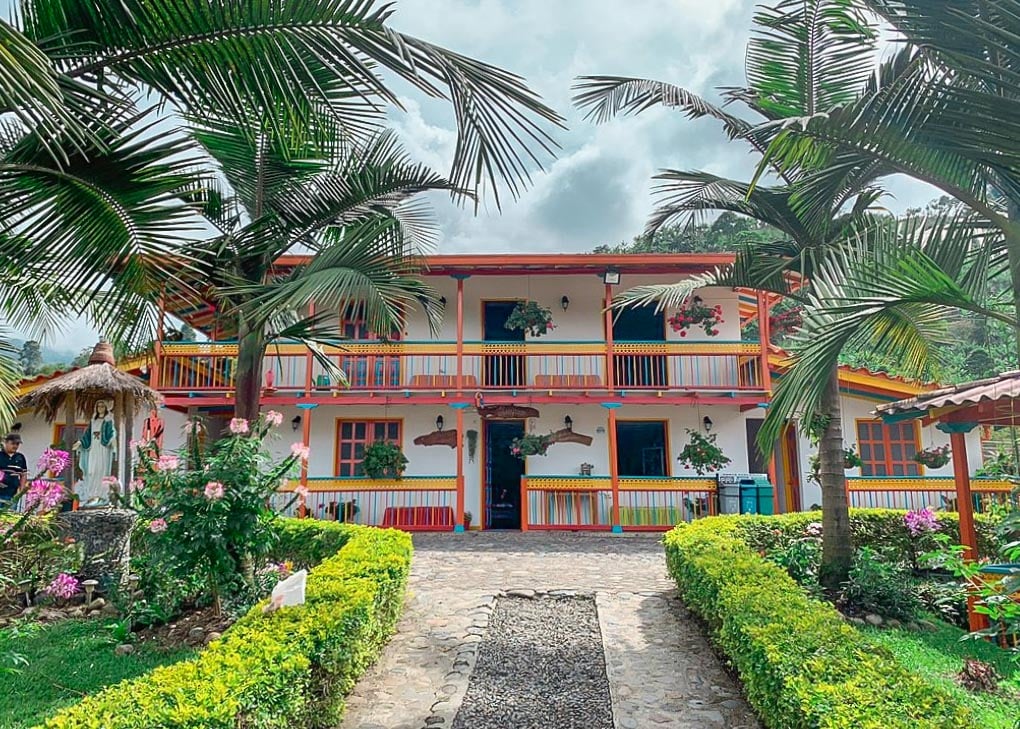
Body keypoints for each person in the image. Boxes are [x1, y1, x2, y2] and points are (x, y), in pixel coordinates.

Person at [73, 400, 117, 504]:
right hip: (93, 449)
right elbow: (87, 436)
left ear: (105, 408)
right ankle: (91, 495)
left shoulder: (108, 420)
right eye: (98, 406)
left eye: (102, 406)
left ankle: (101, 495)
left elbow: (112, 433)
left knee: (100, 471)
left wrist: (113, 442)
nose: (100, 408)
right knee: (91, 471)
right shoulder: (93, 421)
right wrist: (80, 443)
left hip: (103, 449)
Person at [0, 433, 27, 504]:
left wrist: (21, 491)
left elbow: (23, 474)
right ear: (6, 443)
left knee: (10, 514)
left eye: (17, 444)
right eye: (13, 443)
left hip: (13, 494)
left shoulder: (20, 457)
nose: (15, 446)